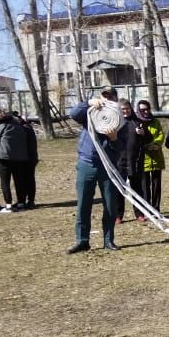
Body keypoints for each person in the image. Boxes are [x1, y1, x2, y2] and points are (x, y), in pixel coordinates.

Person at [67, 86, 122, 253]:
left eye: (110, 96)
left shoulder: (119, 119)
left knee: (110, 204)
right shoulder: (91, 113)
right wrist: (89, 103)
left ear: (115, 98)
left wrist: (114, 139)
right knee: (83, 203)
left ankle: (108, 240)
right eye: (104, 96)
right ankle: (82, 240)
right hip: (87, 163)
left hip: (107, 166)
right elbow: (74, 113)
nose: (107, 99)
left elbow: (123, 147)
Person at [0, 107, 33, 213]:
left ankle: (8, 205)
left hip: (4, 156)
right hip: (20, 157)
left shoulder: (0, 126)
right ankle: (21, 202)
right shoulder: (19, 127)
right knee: (19, 180)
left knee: (5, 181)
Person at [114, 98, 148, 222]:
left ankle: (139, 213)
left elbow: (148, 139)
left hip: (134, 160)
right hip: (120, 160)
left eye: (127, 108)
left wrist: (143, 133)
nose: (125, 111)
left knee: (137, 188)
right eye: (123, 109)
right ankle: (118, 215)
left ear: (131, 109)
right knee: (119, 188)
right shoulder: (116, 123)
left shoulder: (137, 121)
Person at [136, 100, 165, 216]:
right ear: (139, 110)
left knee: (156, 185)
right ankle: (147, 209)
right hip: (143, 159)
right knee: (145, 186)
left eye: (147, 109)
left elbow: (161, 134)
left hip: (156, 157)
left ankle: (156, 208)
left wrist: (156, 144)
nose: (146, 112)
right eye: (143, 110)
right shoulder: (137, 122)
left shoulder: (156, 121)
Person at [10, 111, 38, 208]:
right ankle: (28, 200)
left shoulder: (22, 128)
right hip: (30, 157)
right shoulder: (26, 127)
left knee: (23, 180)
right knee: (28, 179)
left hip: (25, 158)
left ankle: (24, 200)